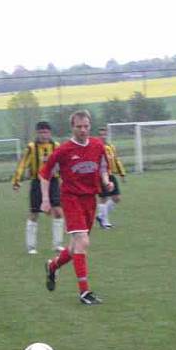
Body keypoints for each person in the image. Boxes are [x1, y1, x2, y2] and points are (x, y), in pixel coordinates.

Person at [40, 110, 112, 305]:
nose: (83, 130)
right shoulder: (63, 151)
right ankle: (84, 292)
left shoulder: (97, 145)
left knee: (75, 248)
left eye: (86, 126)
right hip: (71, 199)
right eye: (79, 127)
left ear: (90, 126)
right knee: (83, 241)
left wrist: (106, 181)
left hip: (90, 199)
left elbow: (104, 166)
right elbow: (44, 174)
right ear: (72, 127)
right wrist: (45, 199)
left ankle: (53, 266)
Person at [11, 121, 64, 253]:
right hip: (37, 182)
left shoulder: (56, 146)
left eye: (46, 132)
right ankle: (31, 246)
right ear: (37, 133)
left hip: (53, 182)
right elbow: (22, 164)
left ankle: (57, 244)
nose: (43, 135)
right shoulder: (31, 147)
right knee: (34, 213)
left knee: (58, 211)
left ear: (50, 133)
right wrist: (17, 180)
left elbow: (63, 163)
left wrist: (65, 179)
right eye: (41, 132)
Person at [95, 126, 126, 229]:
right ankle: (105, 222)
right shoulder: (95, 148)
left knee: (117, 198)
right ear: (97, 136)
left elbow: (116, 160)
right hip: (101, 175)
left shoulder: (111, 147)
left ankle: (100, 216)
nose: (103, 136)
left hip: (111, 174)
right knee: (103, 198)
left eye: (104, 134)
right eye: (101, 135)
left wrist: (122, 174)